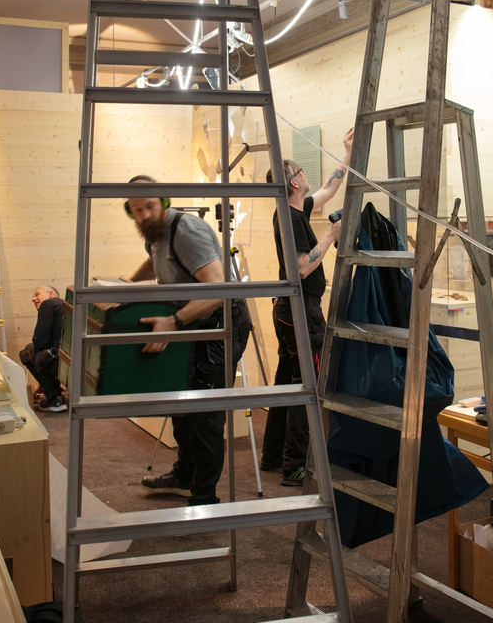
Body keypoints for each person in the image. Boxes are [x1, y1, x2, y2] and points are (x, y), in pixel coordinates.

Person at [125, 175, 251, 506]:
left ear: (164, 202)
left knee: (205, 415)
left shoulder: (186, 230)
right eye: (137, 210)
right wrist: (126, 283)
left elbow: (217, 290)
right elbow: (156, 260)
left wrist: (173, 322)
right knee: (180, 405)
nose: (144, 215)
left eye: (150, 206)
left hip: (220, 324)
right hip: (191, 322)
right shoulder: (155, 233)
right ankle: (184, 476)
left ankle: (203, 497)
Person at [260, 128, 354, 487]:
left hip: (290, 311)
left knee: (286, 384)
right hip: (301, 312)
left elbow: (329, 189)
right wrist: (331, 235)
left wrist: (347, 154)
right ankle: (294, 466)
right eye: (300, 172)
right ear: (294, 183)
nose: (304, 175)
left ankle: (272, 456)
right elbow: (301, 267)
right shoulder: (291, 217)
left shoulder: (297, 208)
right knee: (305, 388)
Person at [20, 286, 67, 412]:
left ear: (51, 294)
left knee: (27, 352)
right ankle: (53, 393)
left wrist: (43, 379)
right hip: (77, 365)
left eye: (37, 294)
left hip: (61, 365)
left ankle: (55, 399)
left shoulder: (48, 304)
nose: (33, 299)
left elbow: (40, 342)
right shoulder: (65, 307)